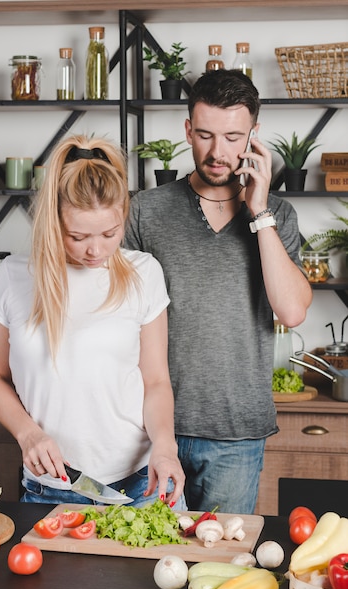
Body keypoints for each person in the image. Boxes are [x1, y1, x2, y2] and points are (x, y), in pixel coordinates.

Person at [125, 69, 312, 514]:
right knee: (144, 569)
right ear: (188, 129)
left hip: (236, 434)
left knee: (220, 570)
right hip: (147, 429)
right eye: (205, 134)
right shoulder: (144, 211)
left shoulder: (278, 216)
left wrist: (260, 211)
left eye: (232, 137)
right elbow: (114, 315)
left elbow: (292, 310)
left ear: (254, 136)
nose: (217, 151)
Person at [0, 134, 185, 509]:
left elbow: (156, 380)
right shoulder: (14, 276)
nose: (96, 250)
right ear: (53, 222)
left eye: (110, 233)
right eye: (78, 237)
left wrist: (165, 447)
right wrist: (27, 434)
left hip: (141, 486)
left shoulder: (144, 273)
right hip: (49, 489)